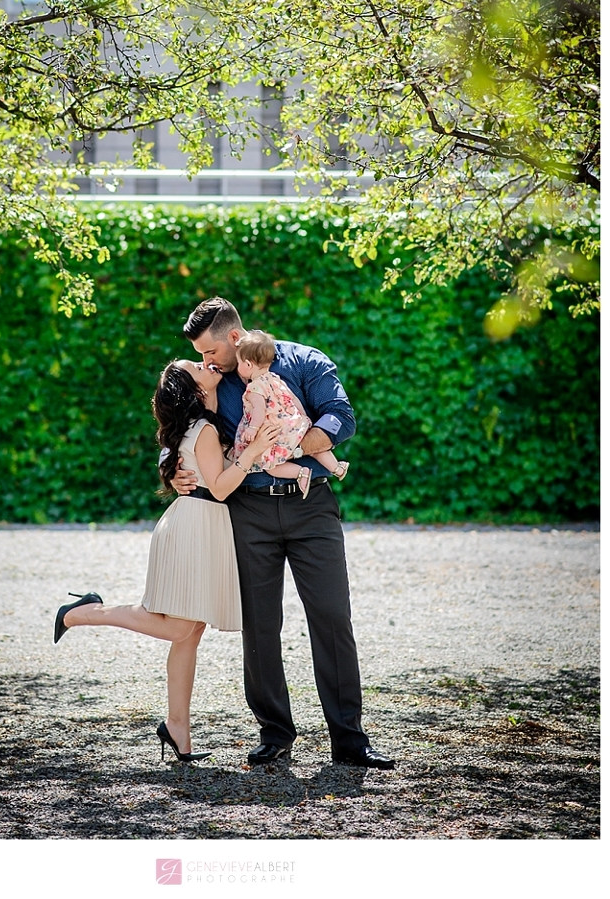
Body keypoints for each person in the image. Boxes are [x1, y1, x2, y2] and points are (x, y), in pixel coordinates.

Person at [174, 297, 395, 770]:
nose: (206, 362)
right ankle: (274, 734)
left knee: (332, 617)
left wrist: (289, 443)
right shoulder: (210, 381)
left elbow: (340, 418)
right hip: (247, 511)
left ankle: (350, 740)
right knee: (260, 625)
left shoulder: (306, 360)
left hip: (311, 505)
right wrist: (168, 468)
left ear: (235, 338)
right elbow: (179, 426)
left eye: (211, 352)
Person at [53, 358, 280, 763]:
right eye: (196, 365)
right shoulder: (206, 430)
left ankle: (177, 730)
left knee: (190, 632)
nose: (205, 363)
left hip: (199, 523)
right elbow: (223, 488)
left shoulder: (203, 421)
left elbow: (188, 455)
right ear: (192, 391)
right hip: (195, 523)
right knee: (178, 626)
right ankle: (87, 612)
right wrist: (256, 451)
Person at [232, 328, 349, 499]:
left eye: (238, 363)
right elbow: (293, 398)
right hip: (294, 422)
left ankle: (301, 473)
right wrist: (303, 418)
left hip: (276, 430)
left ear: (248, 364)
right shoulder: (275, 378)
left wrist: (252, 428)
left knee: (269, 464)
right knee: (315, 448)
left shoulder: (254, 388)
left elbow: (259, 410)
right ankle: (337, 467)